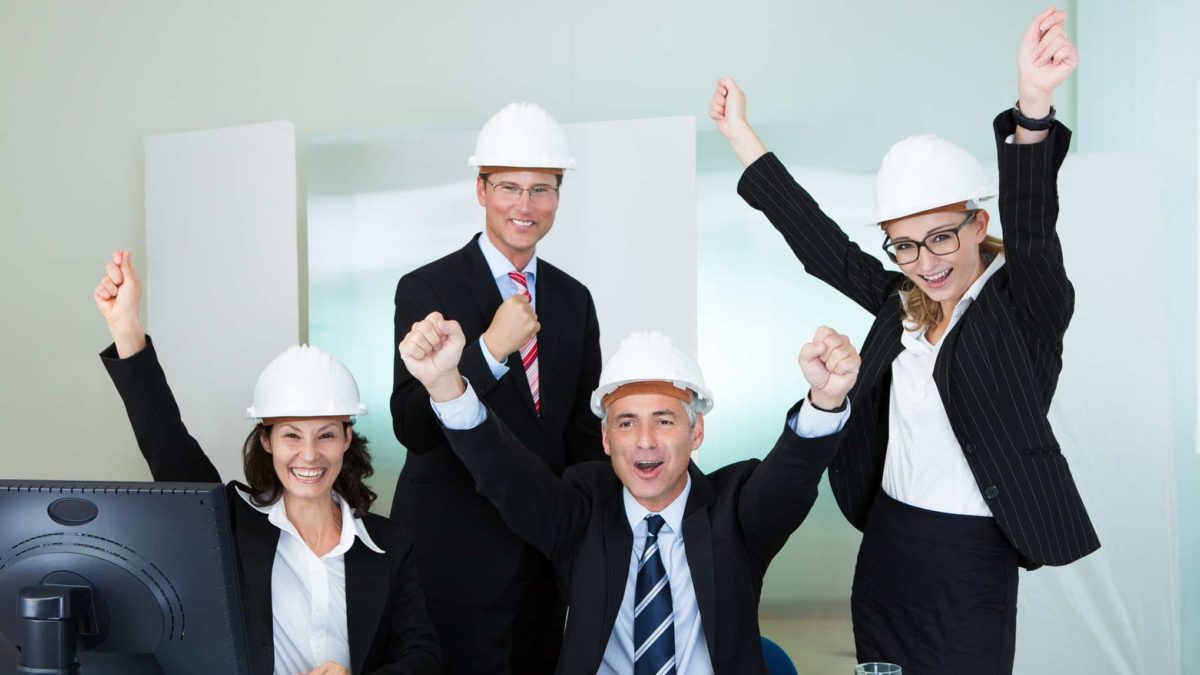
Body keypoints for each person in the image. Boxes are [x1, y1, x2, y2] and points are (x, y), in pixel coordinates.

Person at [708, 7, 1099, 673]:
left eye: (942, 235)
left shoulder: (1028, 308)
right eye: (904, 243)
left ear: (978, 222)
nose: (925, 259)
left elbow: (1033, 227)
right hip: (889, 545)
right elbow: (821, 245)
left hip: (972, 556)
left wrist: (1034, 107)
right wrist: (742, 135)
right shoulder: (903, 306)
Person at [399, 313, 859, 674]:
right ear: (606, 441)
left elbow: (789, 478)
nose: (644, 441)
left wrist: (826, 402)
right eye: (626, 422)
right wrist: (445, 385)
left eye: (664, 420)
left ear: (695, 433)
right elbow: (506, 475)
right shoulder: (581, 510)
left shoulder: (734, 510)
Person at [93, 250, 441, 675]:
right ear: (267, 441)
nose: (309, 454)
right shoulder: (231, 527)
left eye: (326, 435)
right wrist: (127, 329)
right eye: (291, 435)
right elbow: (167, 444)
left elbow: (422, 658)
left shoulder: (388, 545)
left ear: (348, 439)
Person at [389, 102, 604, 674]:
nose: (525, 206)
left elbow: (580, 437)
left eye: (542, 189)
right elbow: (410, 427)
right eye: (509, 186)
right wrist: (488, 351)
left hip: (543, 564)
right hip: (452, 561)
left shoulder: (573, 300)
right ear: (480, 189)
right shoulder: (425, 287)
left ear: (559, 196)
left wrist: (588, 540)